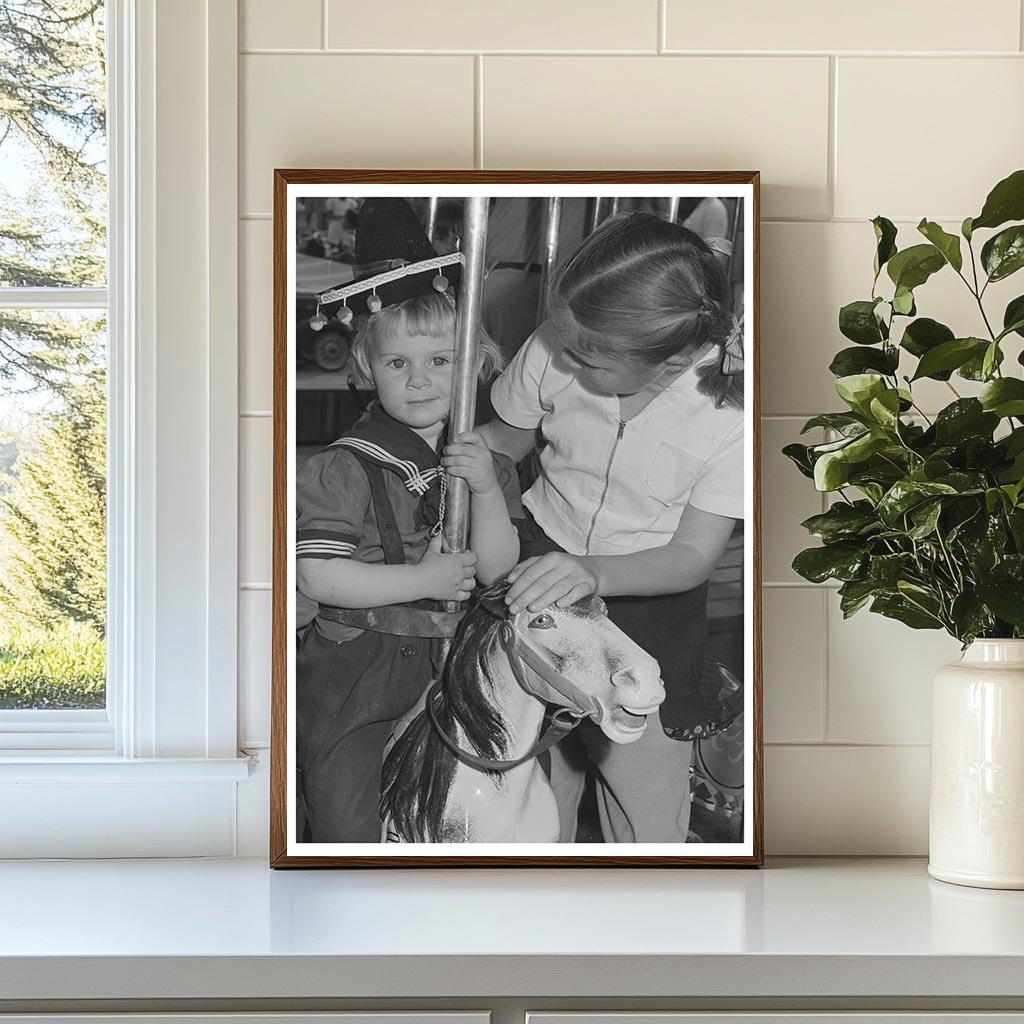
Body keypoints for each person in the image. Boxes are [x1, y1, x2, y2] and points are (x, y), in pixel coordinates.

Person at [480, 212, 745, 844]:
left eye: (589, 359)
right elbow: (506, 440)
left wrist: (594, 572)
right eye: (563, 340)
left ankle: (650, 922)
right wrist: (447, 458)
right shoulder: (561, 341)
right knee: (537, 788)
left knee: (645, 798)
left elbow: (690, 556)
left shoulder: (730, 416)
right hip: (539, 563)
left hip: (647, 603)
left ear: (673, 357)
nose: (563, 359)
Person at [295, 198, 522, 843]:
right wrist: (424, 578)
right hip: (360, 672)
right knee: (350, 816)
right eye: (398, 363)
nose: (420, 380)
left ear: (473, 365)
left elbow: (497, 567)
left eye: (440, 362)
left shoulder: (485, 462)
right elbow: (321, 579)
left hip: (458, 667)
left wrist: (480, 488)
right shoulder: (345, 468)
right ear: (367, 369)